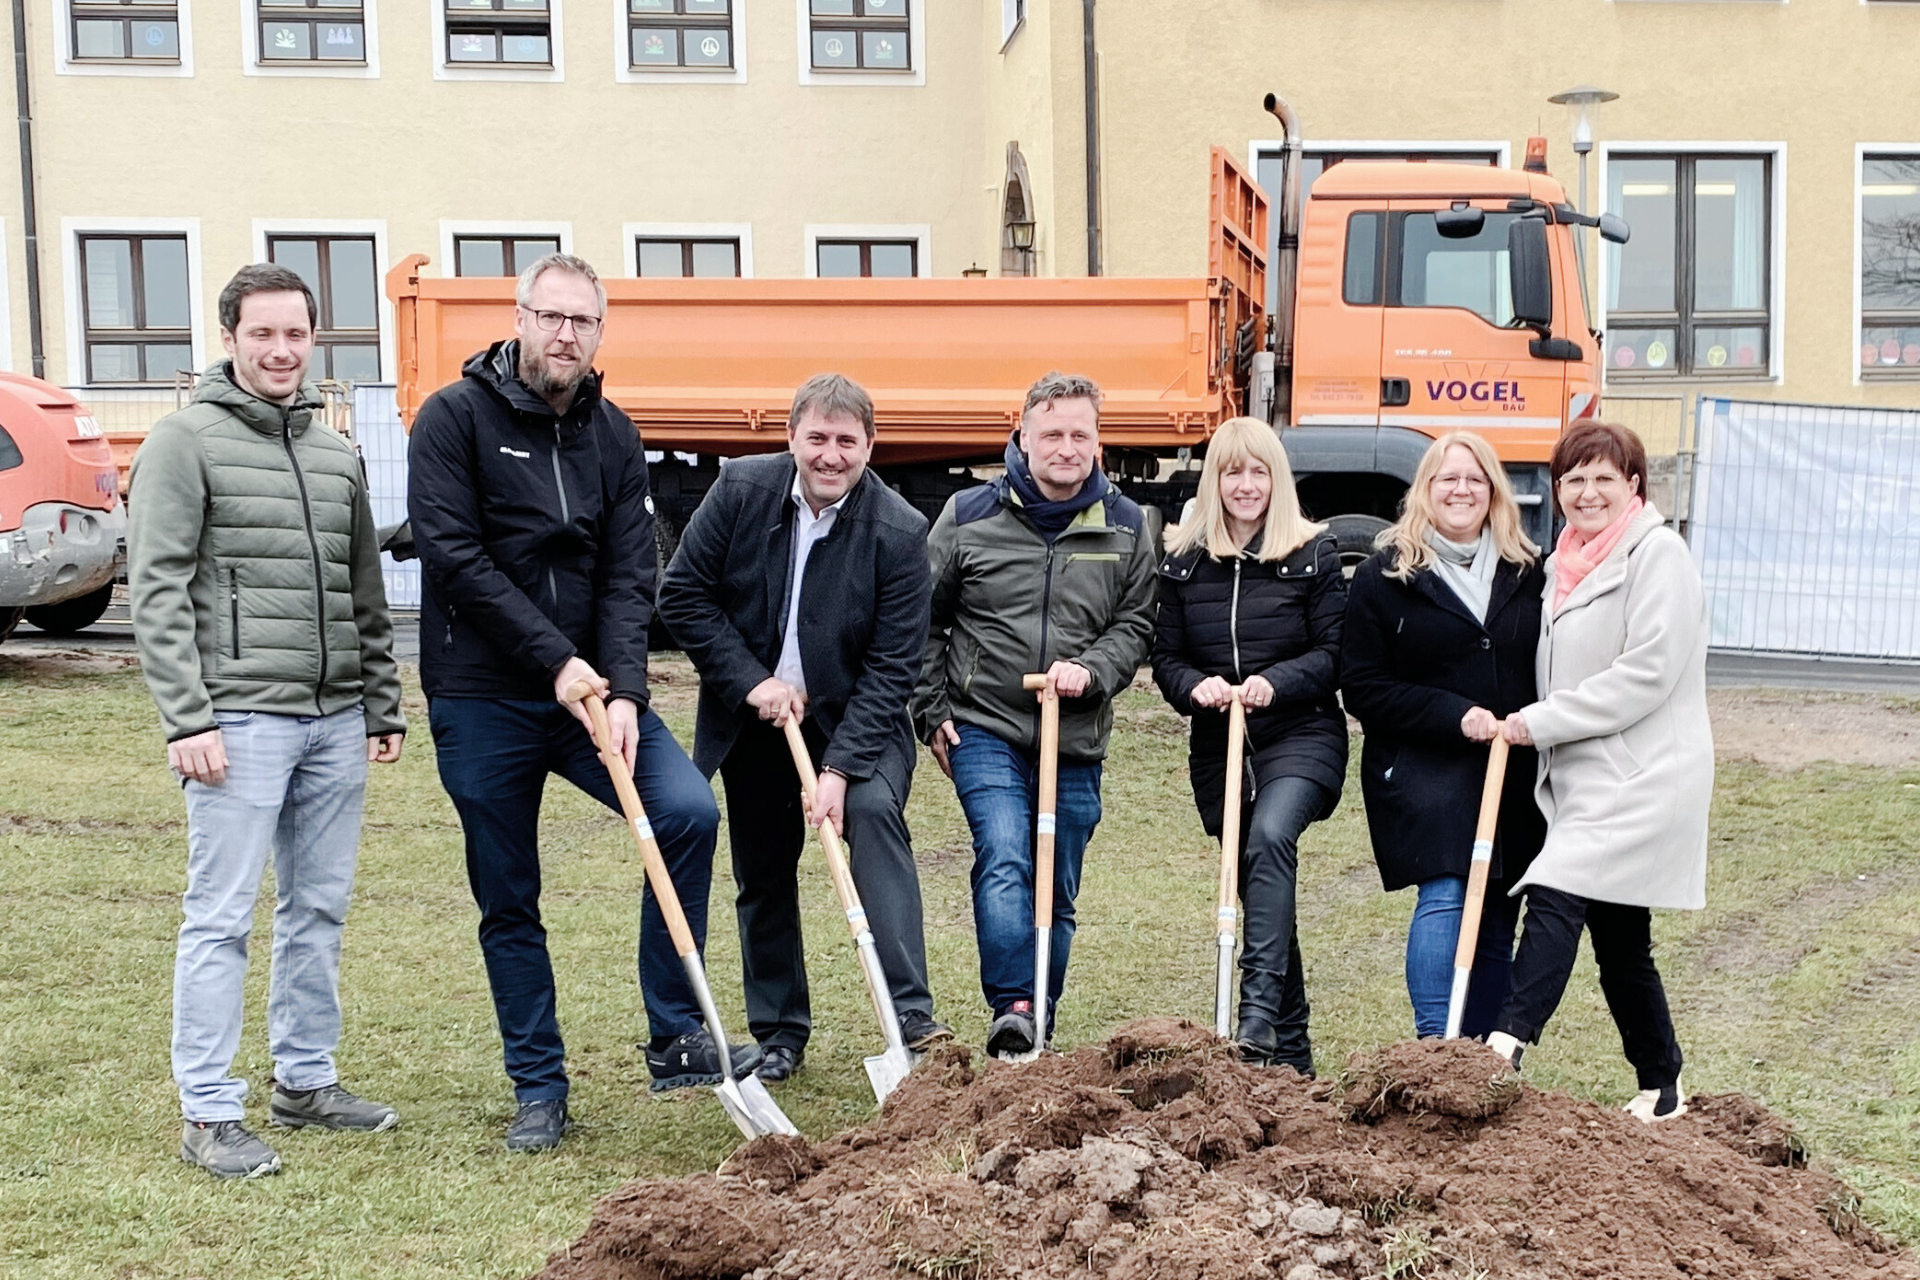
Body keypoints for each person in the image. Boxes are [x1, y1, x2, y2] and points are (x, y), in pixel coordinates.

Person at [407, 252, 738, 1153]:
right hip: (482, 696)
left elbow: (631, 573)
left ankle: (676, 1035)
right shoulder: (452, 419)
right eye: (551, 317)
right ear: (519, 319)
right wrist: (556, 660)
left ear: (599, 332)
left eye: (582, 321)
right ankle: (539, 1086)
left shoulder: (614, 433)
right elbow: (455, 557)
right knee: (509, 893)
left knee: (686, 812)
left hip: (592, 696)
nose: (565, 335)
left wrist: (624, 690)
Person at [129, 263, 406, 1179]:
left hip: (335, 722)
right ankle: (209, 1112)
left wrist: (380, 701)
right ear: (230, 339)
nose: (282, 351)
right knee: (220, 919)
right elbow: (157, 591)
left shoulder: (333, 452)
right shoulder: (183, 442)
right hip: (237, 723)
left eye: (296, 334)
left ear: (313, 338)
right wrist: (187, 720)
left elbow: (364, 590)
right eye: (263, 334)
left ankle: (305, 1081)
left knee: (318, 908)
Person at [656, 373, 949, 1083]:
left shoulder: (899, 531)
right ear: (791, 437)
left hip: (857, 720)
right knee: (762, 871)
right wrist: (749, 680)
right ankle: (780, 1030)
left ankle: (910, 1015)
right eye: (817, 437)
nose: (830, 455)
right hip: (758, 721)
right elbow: (682, 595)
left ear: (870, 447)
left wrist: (839, 770)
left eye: (847, 441)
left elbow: (893, 666)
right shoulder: (739, 491)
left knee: (873, 815)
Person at [912, 371, 1157, 1059]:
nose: (1066, 447)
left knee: (1058, 882)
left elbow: (1136, 624)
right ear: (1022, 436)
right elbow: (923, 620)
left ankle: (1040, 1013)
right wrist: (930, 708)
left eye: (1080, 434)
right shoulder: (968, 514)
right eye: (1052, 433)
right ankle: (1013, 1007)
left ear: (1098, 441)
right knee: (1005, 853)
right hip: (983, 722)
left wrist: (1093, 670)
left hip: (1074, 732)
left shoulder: (1127, 525)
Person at [1485, 420, 1712, 1123]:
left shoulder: (1658, 555)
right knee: (1619, 934)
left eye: (1603, 478)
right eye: (1573, 479)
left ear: (1633, 485)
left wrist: (1539, 721)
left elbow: (1647, 672)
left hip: (1642, 772)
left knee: (1557, 886)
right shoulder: (1563, 562)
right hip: (1586, 772)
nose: (1587, 492)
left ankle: (1502, 1050)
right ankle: (1663, 1085)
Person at [1150, 416, 1345, 1073]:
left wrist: (1274, 683)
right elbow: (1166, 658)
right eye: (1232, 471)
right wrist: (1195, 686)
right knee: (1261, 887)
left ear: (1276, 479)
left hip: (1301, 734)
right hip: (1221, 745)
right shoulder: (1184, 562)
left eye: (1259, 471)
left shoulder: (1313, 554)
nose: (1246, 484)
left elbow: (1334, 654)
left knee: (1269, 837)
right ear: (1214, 480)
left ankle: (1255, 1022)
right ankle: (1294, 1058)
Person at [1341, 431, 1547, 1041]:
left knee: (1498, 914)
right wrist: (1453, 715)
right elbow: (1363, 688)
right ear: (1425, 490)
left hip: (1512, 764)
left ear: (1494, 491)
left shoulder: (1527, 572)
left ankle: (1479, 1059)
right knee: (1448, 890)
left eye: (1475, 479)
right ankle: (1436, 1046)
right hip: (1423, 764)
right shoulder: (1385, 575)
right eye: (1448, 478)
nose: (1462, 490)